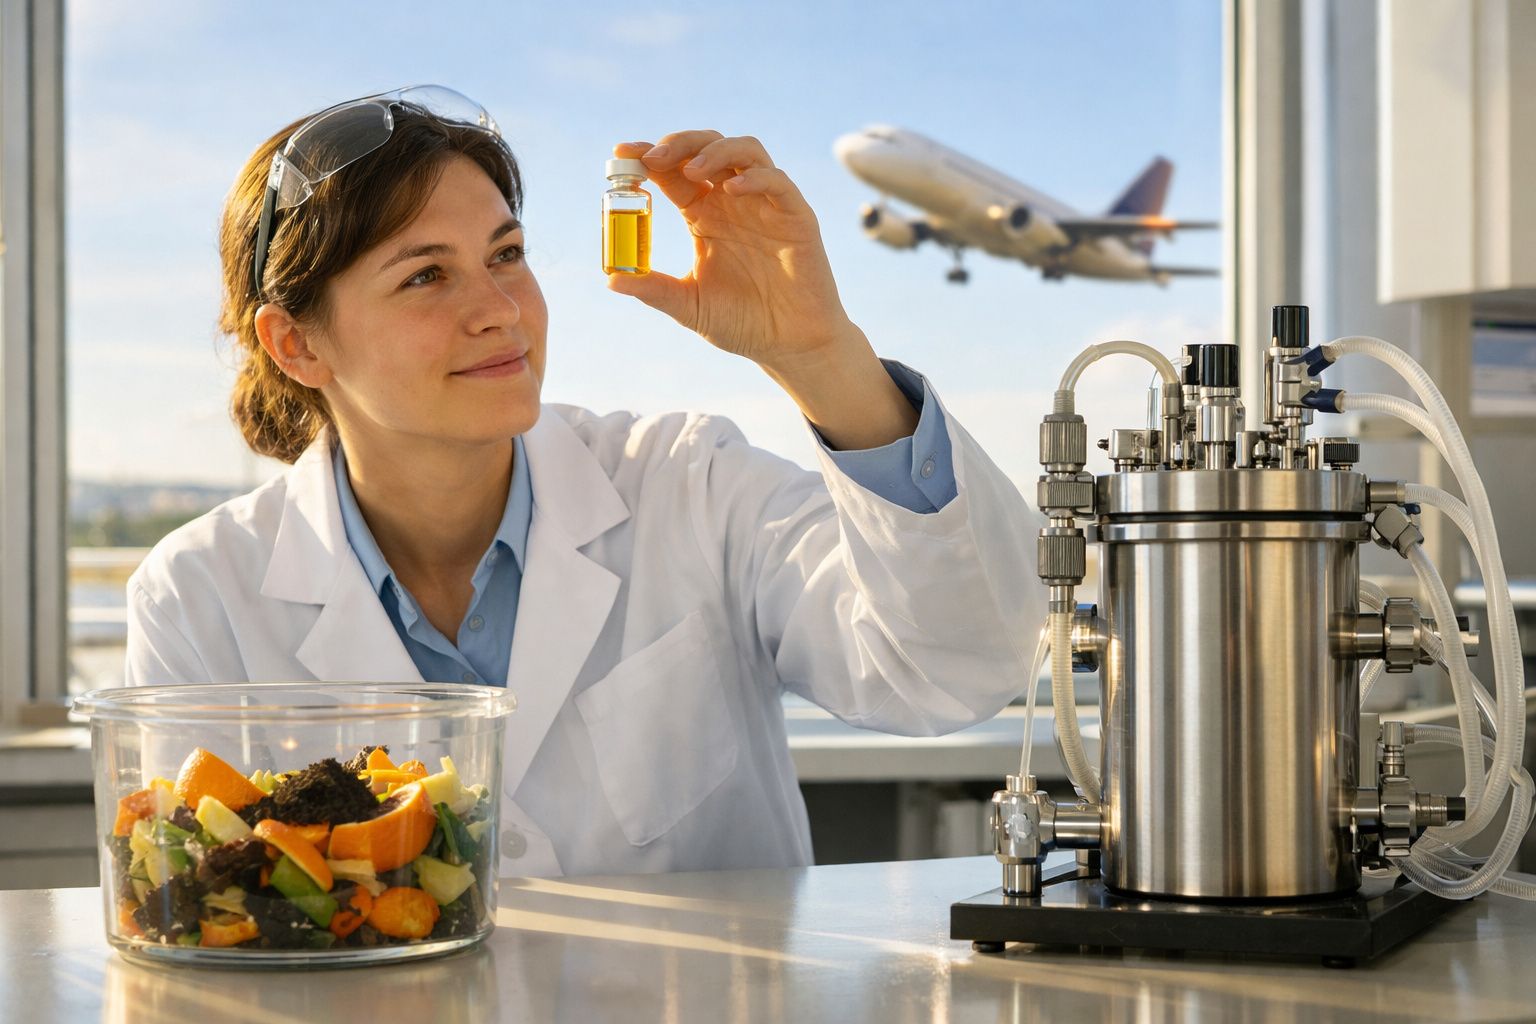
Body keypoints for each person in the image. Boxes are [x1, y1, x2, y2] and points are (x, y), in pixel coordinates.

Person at [125, 85, 1045, 878]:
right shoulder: (201, 595)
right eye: (425, 276)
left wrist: (819, 354)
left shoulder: (689, 483)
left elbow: (955, 669)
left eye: (506, 255)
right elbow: (197, 896)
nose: (498, 311)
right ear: (296, 342)